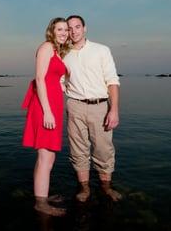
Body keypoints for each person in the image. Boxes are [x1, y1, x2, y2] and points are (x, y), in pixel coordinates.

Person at [63, 14, 122, 202]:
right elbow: (60, 82)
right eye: (69, 28)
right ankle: (85, 189)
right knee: (78, 150)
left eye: (77, 27)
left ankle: (106, 188)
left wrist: (114, 110)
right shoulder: (63, 54)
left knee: (103, 150)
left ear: (85, 28)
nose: (73, 31)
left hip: (100, 106)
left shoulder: (101, 50)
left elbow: (112, 81)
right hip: (74, 106)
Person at [21, 17, 71, 216]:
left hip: (53, 104)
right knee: (44, 156)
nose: (64, 33)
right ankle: (40, 204)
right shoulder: (47, 47)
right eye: (59, 29)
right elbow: (40, 79)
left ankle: (42, 195)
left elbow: (53, 79)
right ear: (51, 30)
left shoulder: (58, 51)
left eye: (66, 30)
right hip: (45, 106)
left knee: (49, 156)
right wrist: (48, 111)